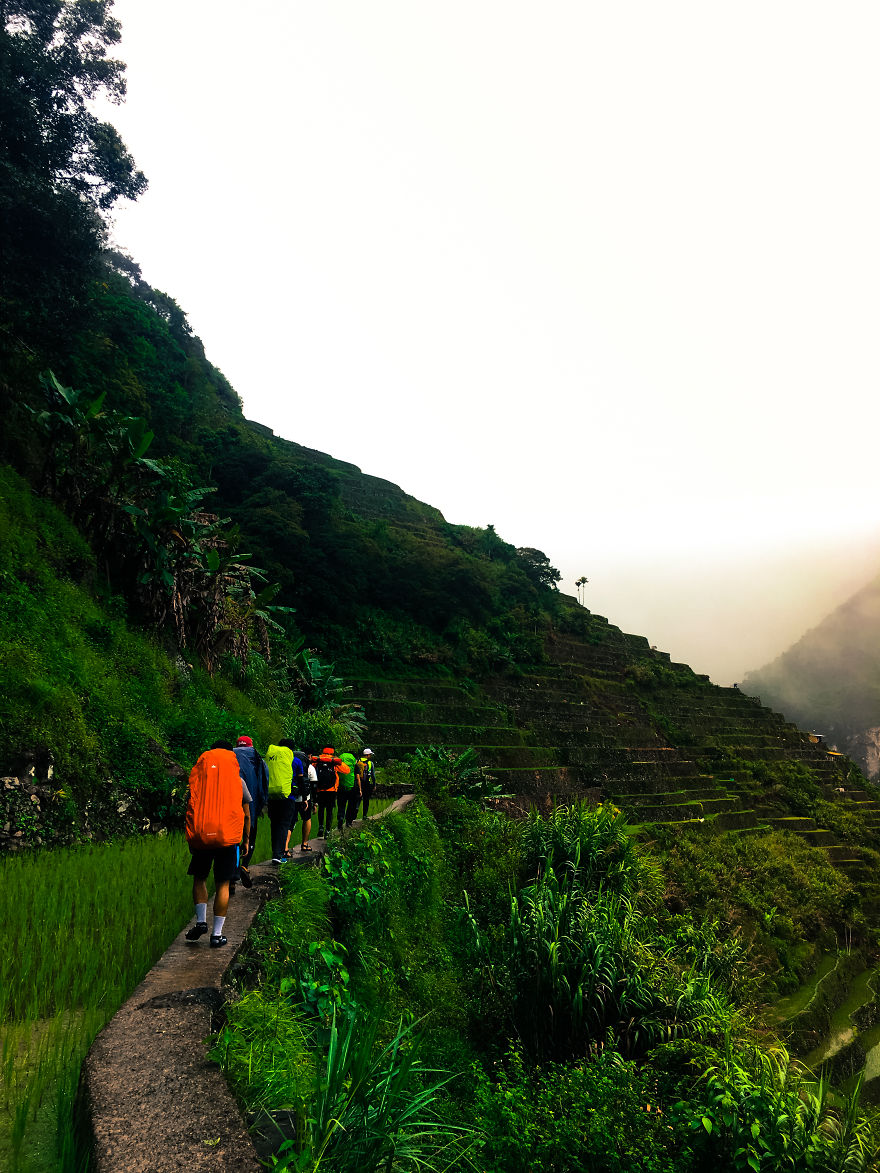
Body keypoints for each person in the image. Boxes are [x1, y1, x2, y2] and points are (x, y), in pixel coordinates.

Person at [184, 739, 251, 948]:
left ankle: (201, 922)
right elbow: (247, 815)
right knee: (223, 884)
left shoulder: (201, 778)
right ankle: (216, 934)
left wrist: (191, 836)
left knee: (199, 878)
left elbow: (191, 805)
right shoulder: (237, 780)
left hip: (203, 835)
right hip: (227, 838)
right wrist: (246, 840)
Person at [234, 735, 268, 888]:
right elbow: (264, 781)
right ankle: (244, 865)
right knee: (250, 833)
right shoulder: (257, 758)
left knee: (233, 838)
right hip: (250, 802)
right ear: (250, 745)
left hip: (231, 803)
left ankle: (232, 876)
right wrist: (262, 803)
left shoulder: (231, 756)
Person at [265, 738, 304, 863]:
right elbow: (301, 781)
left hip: (272, 797)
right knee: (284, 825)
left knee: (274, 824)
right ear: (291, 749)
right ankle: (279, 855)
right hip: (288, 797)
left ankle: (275, 853)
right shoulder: (296, 760)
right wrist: (304, 797)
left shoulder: (272, 759)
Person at [311, 747, 350, 838]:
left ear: (323, 751)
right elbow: (347, 770)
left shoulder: (318, 760)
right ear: (332, 752)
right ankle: (328, 830)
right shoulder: (333, 761)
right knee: (329, 810)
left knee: (321, 809)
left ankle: (321, 826)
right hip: (331, 790)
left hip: (319, 789)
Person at [337, 749, 358, 829]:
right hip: (351, 786)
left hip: (341, 786)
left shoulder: (340, 758)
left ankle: (340, 817)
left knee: (341, 804)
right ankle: (348, 821)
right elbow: (357, 776)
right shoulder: (353, 761)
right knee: (351, 804)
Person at [356, 748, 376, 819]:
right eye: (370, 755)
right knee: (366, 800)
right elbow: (373, 775)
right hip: (367, 784)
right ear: (367, 755)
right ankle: (364, 815)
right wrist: (374, 785)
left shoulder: (357, 761)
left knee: (358, 799)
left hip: (359, 783)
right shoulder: (370, 763)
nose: (370, 756)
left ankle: (355, 812)